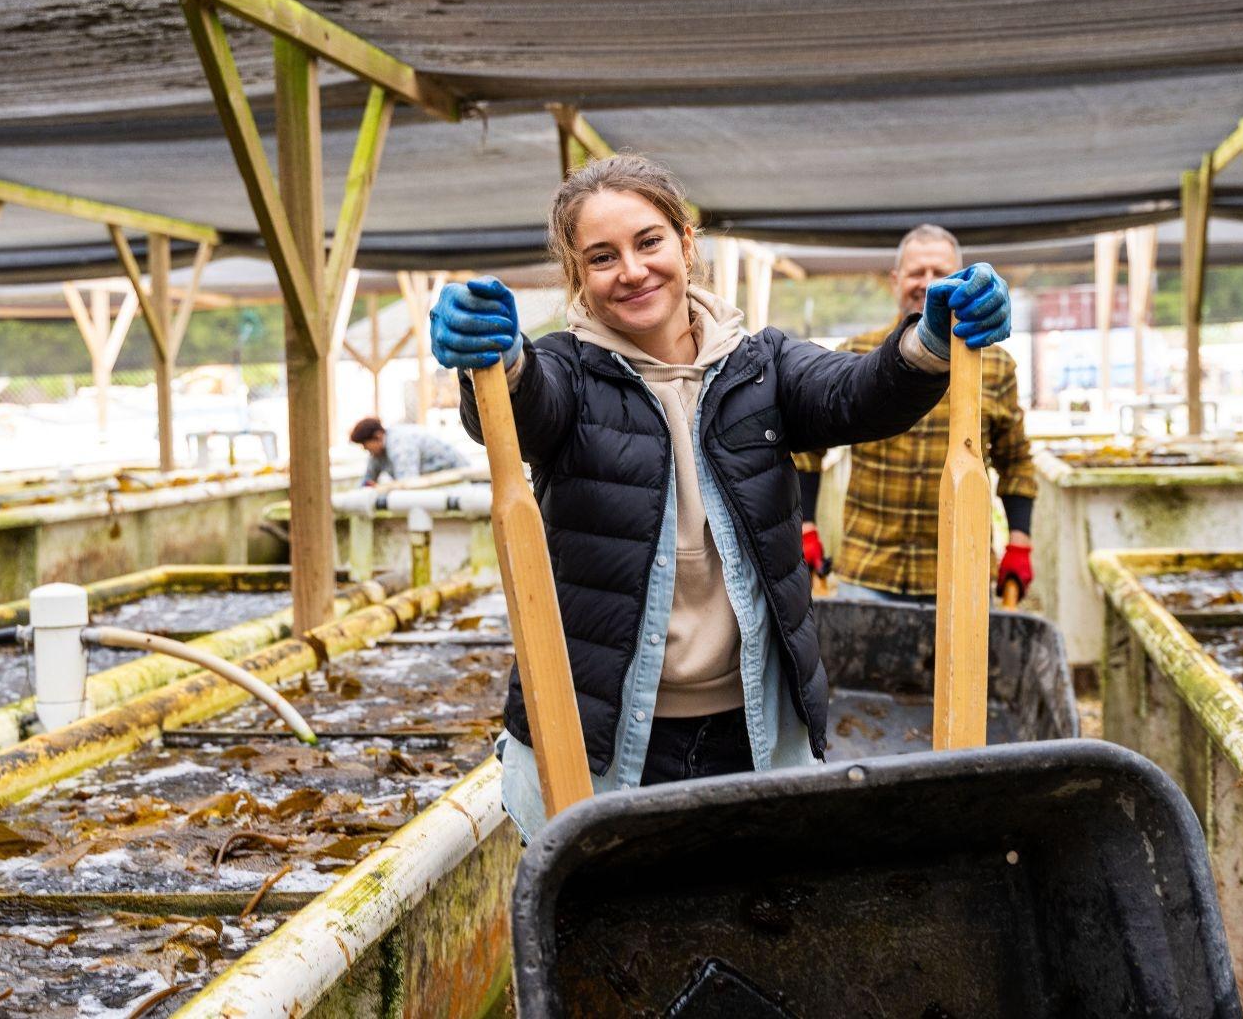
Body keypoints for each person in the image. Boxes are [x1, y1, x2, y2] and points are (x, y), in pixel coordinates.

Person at [430, 155, 1010, 838]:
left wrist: (926, 345)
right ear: (577, 275)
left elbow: (854, 395)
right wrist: (496, 364)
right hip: (601, 741)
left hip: (752, 731)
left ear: (685, 241)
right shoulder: (565, 371)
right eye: (602, 257)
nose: (633, 270)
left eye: (648, 241)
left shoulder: (762, 363)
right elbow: (526, 412)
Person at [795, 224, 1036, 603]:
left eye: (941, 273)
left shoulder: (996, 367)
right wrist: (805, 527)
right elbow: (806, 446)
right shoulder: (855, 353)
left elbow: (1016, 461)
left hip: (961, 574)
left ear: (962, 279)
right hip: (868, 573)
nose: (927, 283)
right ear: (895, 281)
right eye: (916, 273)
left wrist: (1020, 542)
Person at [349, 417, 469, 486]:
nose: (365, 449)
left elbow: (408, 483)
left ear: (378, 436)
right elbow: (367, 482)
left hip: (459, 478)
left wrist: (382, 489)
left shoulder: (400, 444)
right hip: (439, 482)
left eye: (365, 444)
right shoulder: (377, 454)